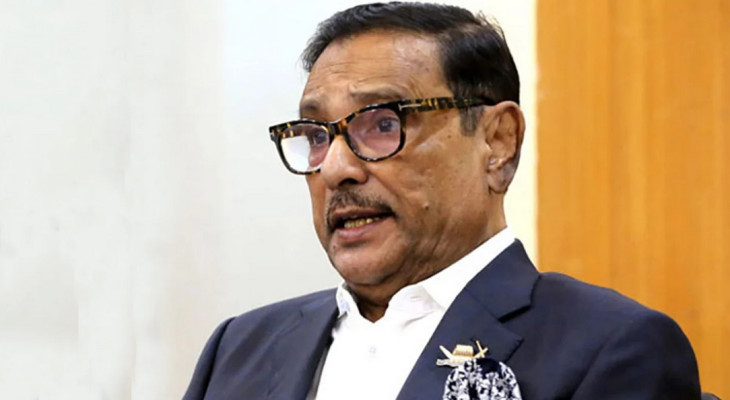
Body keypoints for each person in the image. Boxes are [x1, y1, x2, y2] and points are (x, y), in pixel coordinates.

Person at [183, 2, 700, 399]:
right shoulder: (240, 348)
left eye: (382, 124)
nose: (335, 168)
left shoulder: (608, 349)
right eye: (318, 135)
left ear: (498, 142)